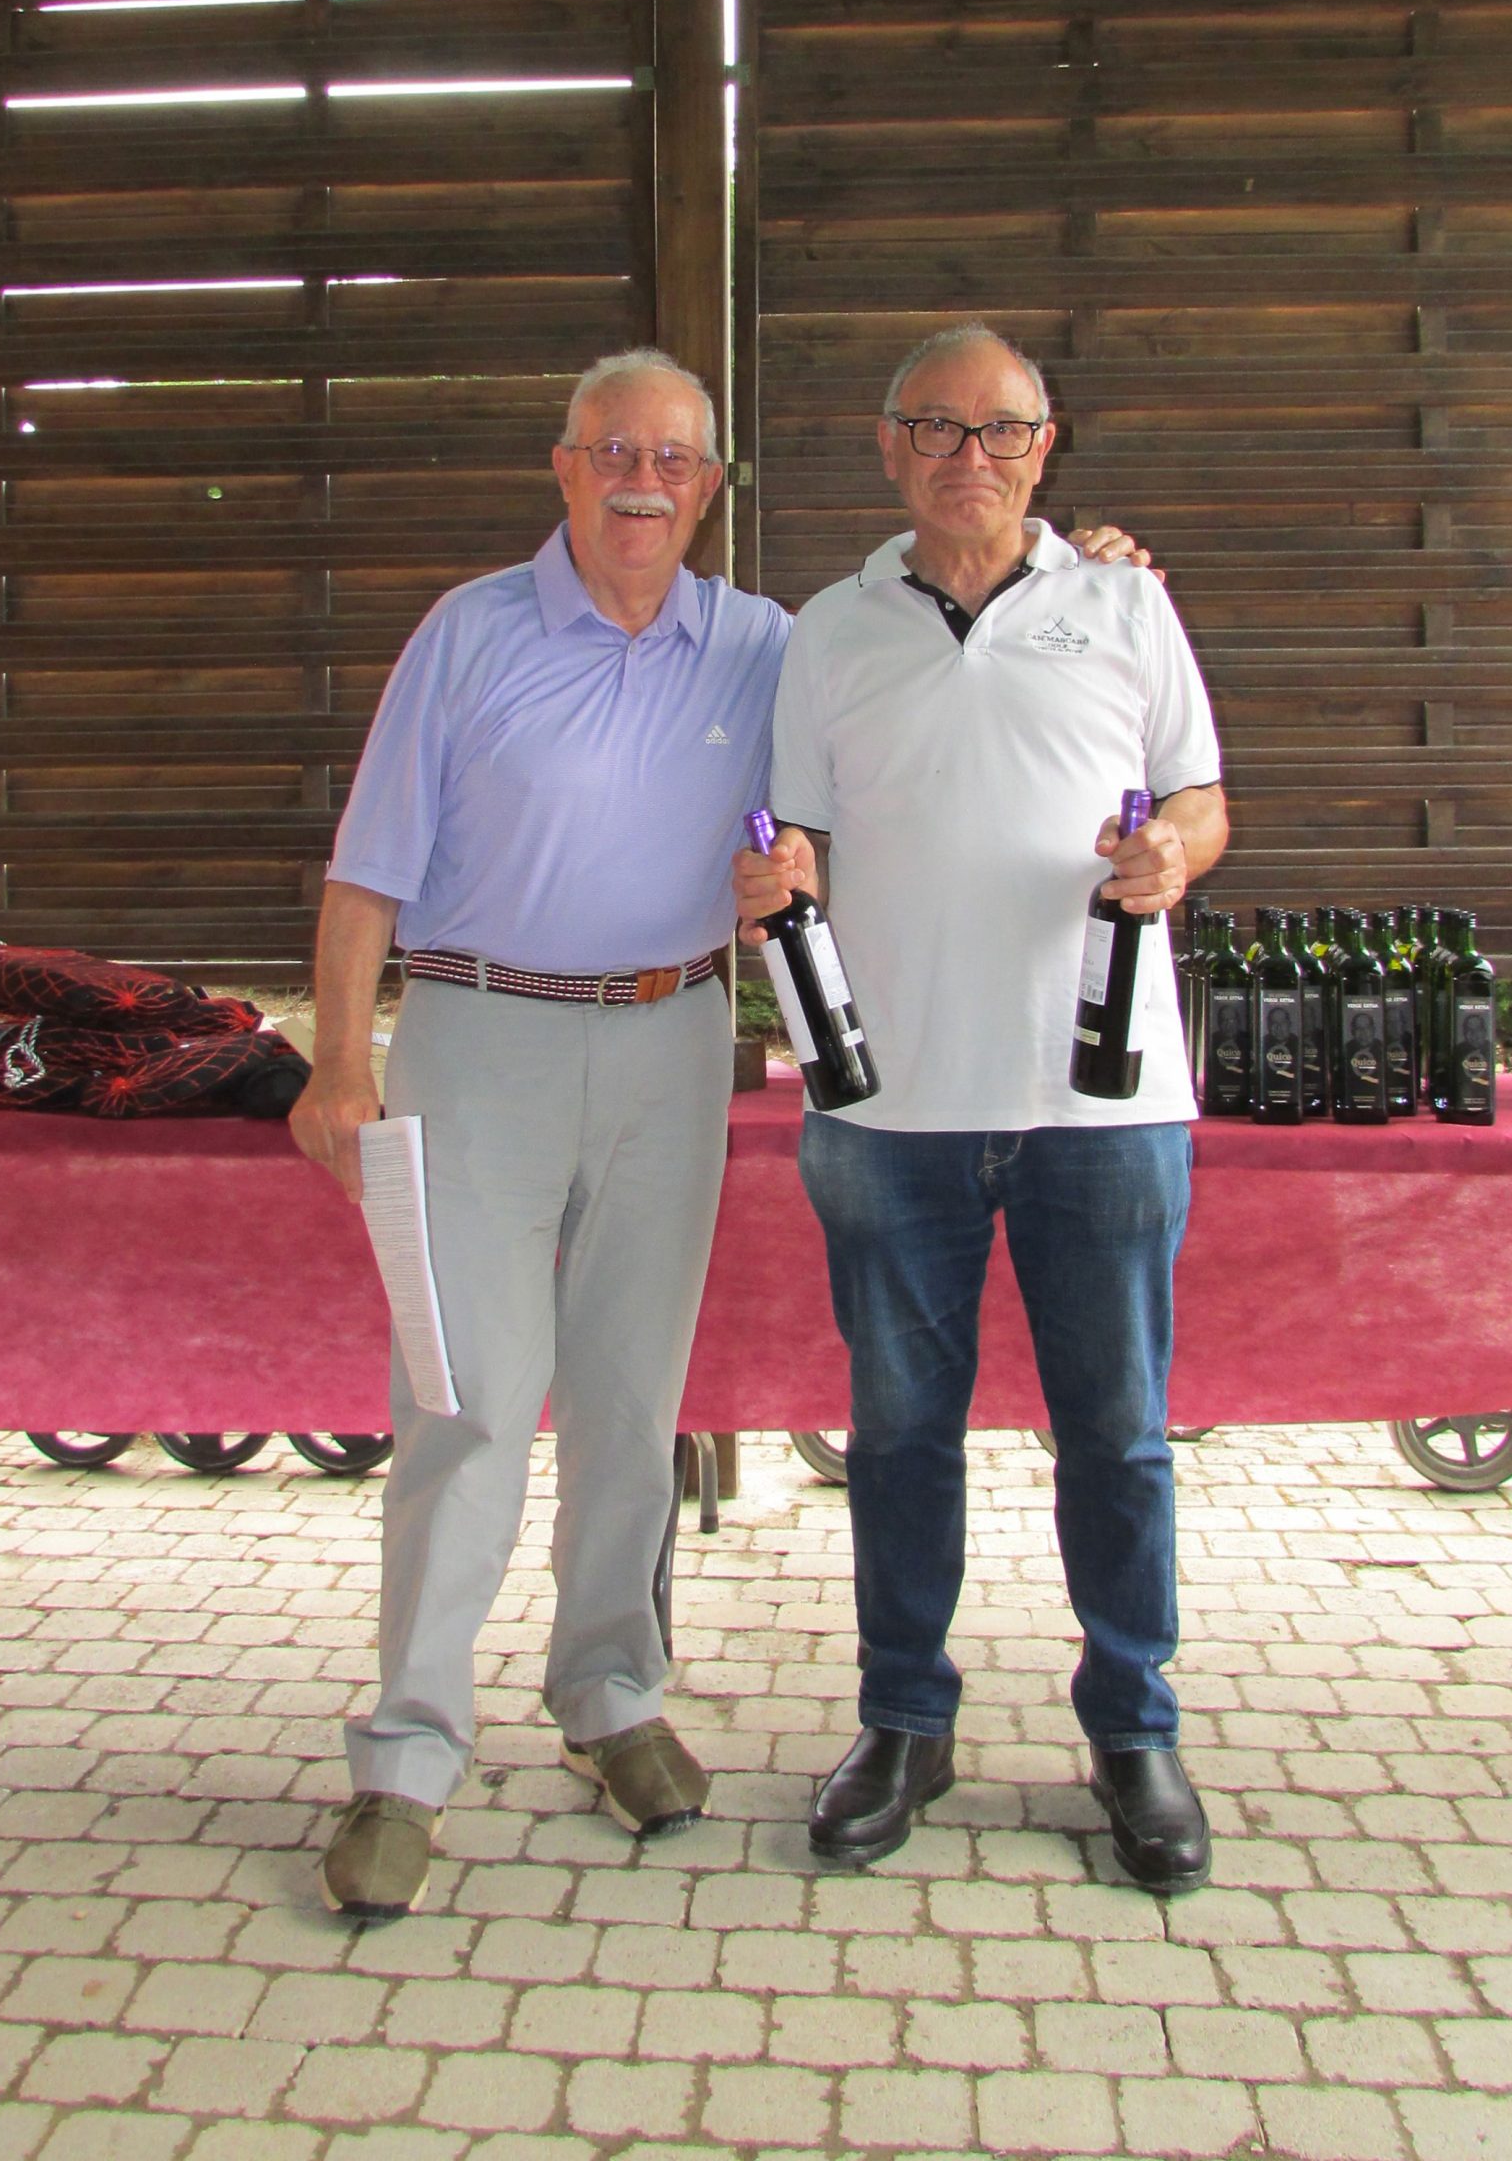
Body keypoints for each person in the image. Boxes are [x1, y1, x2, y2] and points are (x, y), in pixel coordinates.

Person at [292, 343, 1154, 1921]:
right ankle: (408, 1756)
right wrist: (339, 1066)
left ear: (710, 487)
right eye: (615, 451)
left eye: (676, 459)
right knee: (464, 1402)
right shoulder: (468, 634)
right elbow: (367, 872)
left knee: (632, 1402)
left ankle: (610, 1697)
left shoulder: (765, 643)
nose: (645, 481)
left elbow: (933, 641)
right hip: (478, 1040)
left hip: (674, 1037)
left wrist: (1083, 567)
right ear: (565, 467)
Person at [733, 322, 1229, 1896]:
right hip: (888, 1108)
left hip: (1107, 1099)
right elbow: (796, 836)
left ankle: (1133, 1732)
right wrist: (776, 874)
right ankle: (904, 1721)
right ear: (889, 447)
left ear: (1045, 444)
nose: (971, 454)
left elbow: (1201, 793)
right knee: (897, 1436)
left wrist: (1176, 853)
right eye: (937, 427)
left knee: (1119, 1437)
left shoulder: (1125, 602)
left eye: (1002, 427)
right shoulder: (827, 630)